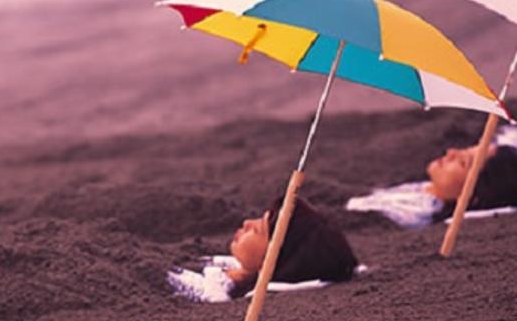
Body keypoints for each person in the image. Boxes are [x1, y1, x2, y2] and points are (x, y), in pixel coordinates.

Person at [167, 196, 358, 303]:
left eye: (257, 230)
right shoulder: (228, 266)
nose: (246, 223)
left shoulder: (211, 293)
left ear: (273, 262)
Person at [346, 130, 517, 228]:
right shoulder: (426, 189)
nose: (451, 152)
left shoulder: (415, 214)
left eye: (462, 162)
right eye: (464, 150)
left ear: (472, 197)